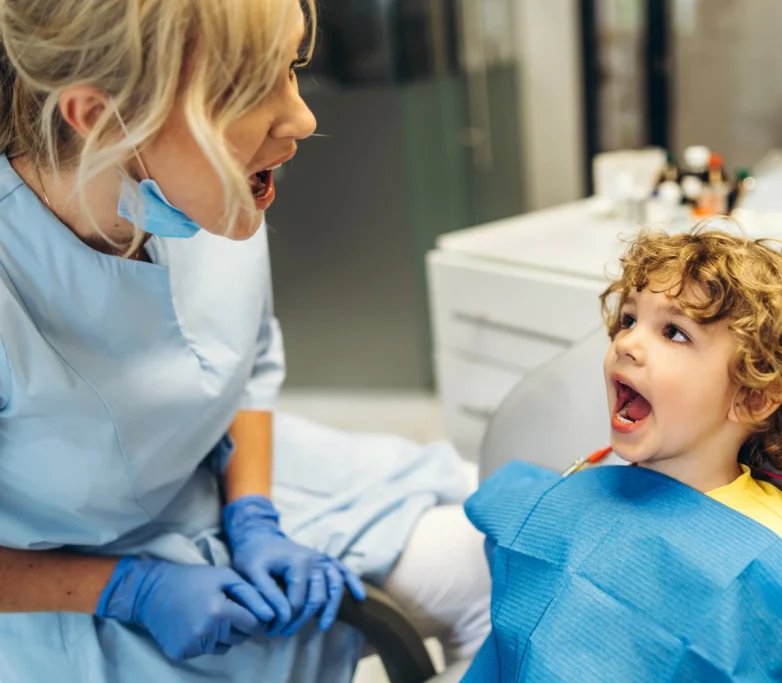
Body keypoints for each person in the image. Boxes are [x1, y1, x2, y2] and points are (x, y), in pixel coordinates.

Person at [0, 1, 489, 681]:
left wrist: (253, 513)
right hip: (57, 589)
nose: (304, 119)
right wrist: (126, 586)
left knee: (504, 550)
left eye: (291, 69)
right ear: (99, 116)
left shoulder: (207, 194)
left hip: (229, 488)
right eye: (250, 88)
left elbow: (247, 362)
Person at [462, 228, 782, 681]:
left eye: (674, 333)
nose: (626, 343)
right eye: (628, 320)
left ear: (754, 397)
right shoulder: (585, 489)